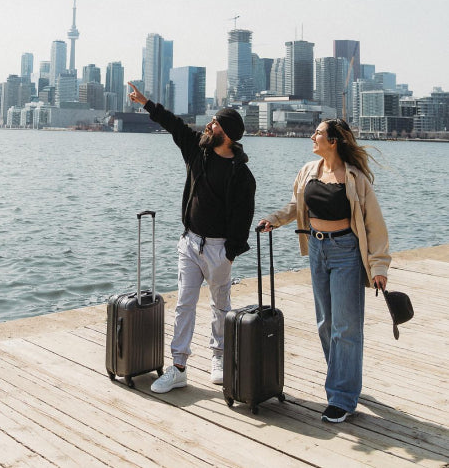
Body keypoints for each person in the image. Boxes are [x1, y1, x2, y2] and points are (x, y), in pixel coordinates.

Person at [258, 118, 390, 423]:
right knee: (325, 323)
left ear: (333, 141)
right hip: (316, 250)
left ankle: (342, 398)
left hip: (346, 252)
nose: (311, 137)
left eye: (317, 133)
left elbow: (374, 224)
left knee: (346, 326)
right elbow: (297, 206)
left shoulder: (355, 178)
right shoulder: (308, 171)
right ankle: (344, 377)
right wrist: (273, 220)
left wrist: (379, 266)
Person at [128, 83, 256, 394]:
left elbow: (243, 218)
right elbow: (173, 123)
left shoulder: (241, 175)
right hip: (189, 243)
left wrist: (229, 253)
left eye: (215, 123)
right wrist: (146, 102)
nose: (209, 126)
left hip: (219, 249)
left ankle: (219, 357)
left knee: (220, 306)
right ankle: (179, 367)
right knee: (184, 304)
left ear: (227, 133)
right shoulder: (197, 150)